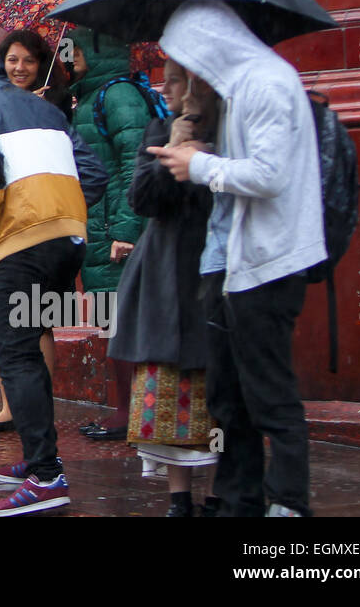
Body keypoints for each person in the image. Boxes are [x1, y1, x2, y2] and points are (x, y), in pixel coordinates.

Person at [149, 0, 325, 517]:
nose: (183, 74)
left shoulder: (267, 82)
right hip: (230, 267)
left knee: (269, 395)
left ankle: (289, 505)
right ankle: (240, 502)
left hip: (268, 265)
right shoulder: (235, 90)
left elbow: (269, 175)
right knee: (229, 399)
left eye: (185, 58)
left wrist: (198, 164)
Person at [0, 39, 107, 517]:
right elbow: (92, 172)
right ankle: (42, 458)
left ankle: (45, 475)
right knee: (33, 339)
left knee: (15, 351)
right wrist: (64, 214)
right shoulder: (42, 106)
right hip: (68, 238)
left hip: (24, 242)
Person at [110, 58, 220, 516]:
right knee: (167, 384)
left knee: (216, 386)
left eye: (176, 79)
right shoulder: (158, 130)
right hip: (163, 275)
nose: (166, 87)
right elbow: (142, 200)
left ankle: (217, 494)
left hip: (214, 273)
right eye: (167, 79)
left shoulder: (231, 132)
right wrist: (175, 145)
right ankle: (179, 498)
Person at [64, 28, 153, 441]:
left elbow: (135, 163)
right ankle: (129, 410)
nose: (71, 53)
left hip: (114, 230)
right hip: (98, 225)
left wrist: (123, 229)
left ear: (100, 49)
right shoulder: (93, 94)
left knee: (122, 321)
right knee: (111, 319)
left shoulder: (116, 96)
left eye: (79, 47)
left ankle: (131, 412)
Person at [0, 29, 68, 433]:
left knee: (37, 318)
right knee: (6, 317)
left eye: (28, 61)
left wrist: (39, 113)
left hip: (44, 221)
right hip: (6, 218)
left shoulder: (55, 103)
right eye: (12, 60)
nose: (19, 68)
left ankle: (38, 404)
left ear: (41, 66)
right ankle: (9, 404)